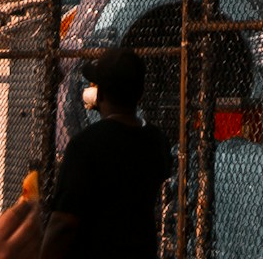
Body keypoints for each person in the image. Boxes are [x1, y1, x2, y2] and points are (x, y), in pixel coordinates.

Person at [42, 49, 170, 259]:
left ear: (100, 94)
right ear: (140, 93)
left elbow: (63, 223)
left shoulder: (85, 145)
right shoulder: (157, 142)